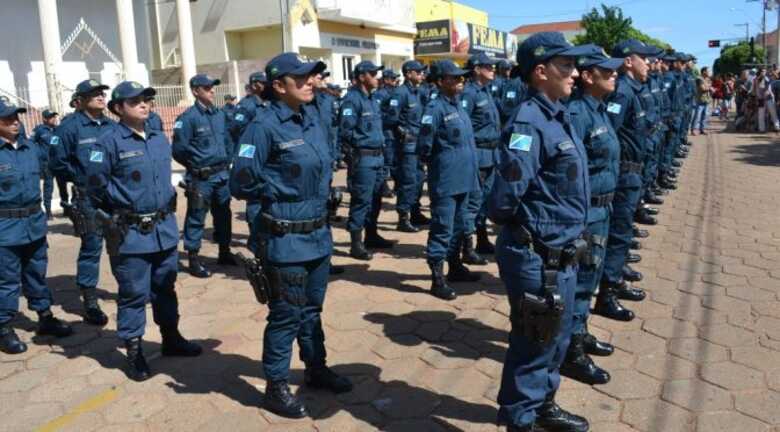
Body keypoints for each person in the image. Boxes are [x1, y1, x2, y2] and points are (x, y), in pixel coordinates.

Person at [230, 52, 352, 419]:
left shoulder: (311, 118)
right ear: (278, 86)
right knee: (286, 314)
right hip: (285, 240)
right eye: (300, 78)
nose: (310, 82)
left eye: (311, 76)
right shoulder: (262, 126)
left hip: (317, 235)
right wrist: (279, 188)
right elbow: (241, 181)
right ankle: (276, 386)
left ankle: (316, 368)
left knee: (312, 310)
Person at [488, 32, 594, 432]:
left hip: (561, 253)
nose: (575, 73)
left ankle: (543, 404)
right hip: (536, 255)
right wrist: (531, 232)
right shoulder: (528, 123)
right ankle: (520, 419)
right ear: (540, 71)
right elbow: (505, 196)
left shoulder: (557, 116)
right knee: (535, 340)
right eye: (566, 65)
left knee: (556, 338)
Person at [89, 81, 201, 381]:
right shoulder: (107, 142)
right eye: (135, 100)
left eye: (147, 99)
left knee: (165, 286)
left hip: (163, 229)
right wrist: (117, 214)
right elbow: (95, 187)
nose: (144, 104)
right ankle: (134, 351)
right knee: (133, 294)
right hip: (131, 233)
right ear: (117, 108)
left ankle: (171, 338)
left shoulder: (158, 137)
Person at [561, 48, 623, 386]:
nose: (614, 75)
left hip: (603, 208)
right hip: (586, 211)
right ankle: (570, 352)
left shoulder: (598, 109)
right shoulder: (577, 114)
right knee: (582, 280)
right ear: (587, 76)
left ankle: (580, 332)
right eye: (607, 71)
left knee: (591, 277)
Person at [0, 99, 73, 355]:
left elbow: (53, 162)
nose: (15, 122)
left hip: (33, 224)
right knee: (7, 280)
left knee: (36, 272)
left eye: (16, 117)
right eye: (7, 119)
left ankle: (45, 317)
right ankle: (4, 327)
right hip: (5, 228)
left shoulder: (30, 147)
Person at [597, 40, 657, 324]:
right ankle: (607, 293)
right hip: (623, 173)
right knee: (619, 233)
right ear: (629, 62)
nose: (650, 63)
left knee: (622, 232)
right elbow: (610, 133)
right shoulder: (621, 92)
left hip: (633, 172)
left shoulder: (632, 89)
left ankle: (616, 277)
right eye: (644, 58)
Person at [50, 79, 114, 327]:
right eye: (94, 93)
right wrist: (80, 177)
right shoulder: (69, 128)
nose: (100, 96)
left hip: (113, 195)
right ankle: (90, 301)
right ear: (81, 99)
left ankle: (130, 290)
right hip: (88, 198)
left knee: (121, 244)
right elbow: (57, 163)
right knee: (92, 247)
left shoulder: (111, 125)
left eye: (102, 93)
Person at [417, 59, 480, 300]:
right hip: (446, 179)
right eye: (455, 77)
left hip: (465, 177)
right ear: (441, 81)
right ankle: (437, 279)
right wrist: (441, 165)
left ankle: (455, 267)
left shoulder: (459, 106)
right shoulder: (434, 109)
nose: (460, 80)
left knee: (461, 225)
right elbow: (424, 146)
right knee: (442, 228)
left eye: (461, 77)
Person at [172, 74, 237, 278]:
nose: (212, 90)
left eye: (212, 87)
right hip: (201, 179)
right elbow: (179, 150)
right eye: (207, 87)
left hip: (222, 176)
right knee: (196, 216)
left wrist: (228, 161)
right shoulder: (187, 118)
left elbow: (227, 141)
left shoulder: (219, 115)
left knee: (223, 215)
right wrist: (196, 166)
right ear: (195, 91)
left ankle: (224, 252)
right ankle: (193, 258)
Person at [339, 61, 394, 260]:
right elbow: (346, 132)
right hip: (363, 159)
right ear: (362, 77)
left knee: (376, 198)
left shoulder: (372, 99)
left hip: (378, 157)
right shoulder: (352, 100)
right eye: (372, 74)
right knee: (361, 200)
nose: (377, 77)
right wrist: (354, 155)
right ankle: (356, 243)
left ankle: (372, 235)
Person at [462, 53, 502, 264]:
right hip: (477, 155)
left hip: (491, 155)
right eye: (488, 66)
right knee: (473, 202)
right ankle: (466, 248)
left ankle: (482, 239)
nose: (492, 69)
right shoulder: (469, 94)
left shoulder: (485, 91)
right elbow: (464, 126)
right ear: (477, 69)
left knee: (485, 201)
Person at [385, 60, 427, 233]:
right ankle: (403, 218)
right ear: (409, 74)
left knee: (419, 178)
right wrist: (402, 133)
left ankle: (415, 212)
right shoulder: (400, 93)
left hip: (419, 143)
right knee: (408, 181)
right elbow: (391, 120)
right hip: (407, 145)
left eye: (422, 72)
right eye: (419, 72)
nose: (422, 75)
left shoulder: (418, 92)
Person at [373, 69, 399, 199]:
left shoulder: (395, 92)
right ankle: (382, 187)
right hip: (386, 131)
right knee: (386, 161)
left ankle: (397, 186)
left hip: (396, 132)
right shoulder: (380, 94)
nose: (395, 81)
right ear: (386, 80)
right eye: (393, 78)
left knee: (395, 161)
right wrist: (389, 119)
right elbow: (377, 113)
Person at [31, 109, 62, 219]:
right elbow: (31, 144)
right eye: (51, 117)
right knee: (49, 187)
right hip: (47, 164)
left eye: (54, 116)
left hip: (59, 162)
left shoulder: (58, 129)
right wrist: (39, 155)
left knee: (62, 185)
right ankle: (48, 211)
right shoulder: (39, 130)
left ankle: (67, 208)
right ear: (45, 119)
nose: (53, 119)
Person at [690, 67, 712, 135]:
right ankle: (694, 129)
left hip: (707, 100)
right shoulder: (699, 79)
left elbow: (708, 86)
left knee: (705, 116)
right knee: (697, 116)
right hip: (700, 100)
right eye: (708, 71)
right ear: (704, 72)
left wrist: (708, 86)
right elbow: (702, 88)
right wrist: (709, 87)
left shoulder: (708, 79)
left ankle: (702, 129)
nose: (709, 72)